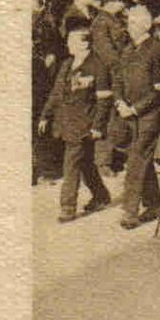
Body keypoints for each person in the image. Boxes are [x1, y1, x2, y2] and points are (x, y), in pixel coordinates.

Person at [37, 18, 112, 222]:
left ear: (85, 43)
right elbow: (56, 93)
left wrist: (98, 126)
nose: (68, 45)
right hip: (65, 123)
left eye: (72, 41)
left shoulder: (98, 66)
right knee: (85, 163)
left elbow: (104, 101)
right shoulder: (67, 64)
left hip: (83, 125)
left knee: (71, 165)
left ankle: (67, 207)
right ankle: (101, 196)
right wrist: (45, 115)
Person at [112, 4, 160, 229]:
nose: (128, 27)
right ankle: (155, 205)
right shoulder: (127, 51)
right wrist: (119, 102)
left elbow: (159, 90)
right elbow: (117, 79)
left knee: (137, 159)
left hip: (149, 115)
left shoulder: (157, 51)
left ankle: (130, 212)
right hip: (127, 114)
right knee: (142, 159)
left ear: (146, 25)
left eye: (133, 23)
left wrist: (135, 108)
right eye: (128, 22)